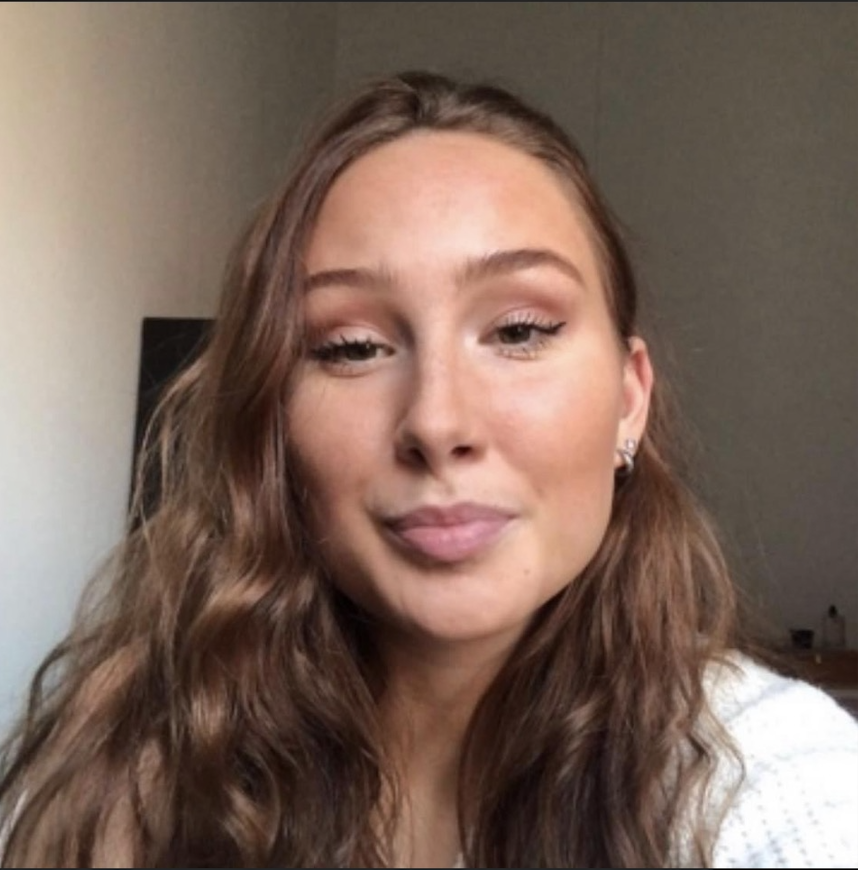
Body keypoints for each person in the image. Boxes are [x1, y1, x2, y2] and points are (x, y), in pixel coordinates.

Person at [1, 70, 856, 869]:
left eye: (519, 331)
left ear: (629, 401)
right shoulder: (122, 764)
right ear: (272, 421)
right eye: (352, 347)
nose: (437, 424)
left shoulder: (765, 774)